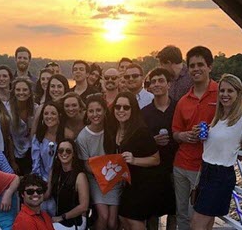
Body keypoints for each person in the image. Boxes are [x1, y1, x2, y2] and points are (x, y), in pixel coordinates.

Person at [190, 74, 242, 230]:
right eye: (222, 90)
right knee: (206, 222)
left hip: (220, 175)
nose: (225, 94)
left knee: (197, 223)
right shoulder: (218, 118)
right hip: (206, 171)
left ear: (238, 93)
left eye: (230, 91)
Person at [172, 46, 218, 230]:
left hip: (206, 166)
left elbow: (237, 122)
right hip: (181, 165)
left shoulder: (221, 94)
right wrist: (183, 135)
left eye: (201, 64)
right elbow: (174, 132)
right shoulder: (184, 100)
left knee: (200, 218)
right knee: (182, 215)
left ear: (210, 67)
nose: (196, 69)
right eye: (192, 65)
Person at [111, 91, 162, 230]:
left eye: (126, 107)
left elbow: (156, 159)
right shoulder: (114, 128)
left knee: (133, 221)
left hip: (143, 183)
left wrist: (134, 160)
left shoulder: (141, 131)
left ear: (133, 109)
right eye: (118, 107)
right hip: (127, 183)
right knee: (123, 218)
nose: (121, 110)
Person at [76, 94, 121, 230]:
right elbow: (86, 165)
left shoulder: (113, 130)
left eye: (98, 110)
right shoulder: (83, 137)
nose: (95, 114)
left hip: (115, 179)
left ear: (105, 111)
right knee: (104, 217)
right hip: (96, 180)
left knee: (112, 223)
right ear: (87, 113)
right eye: (91, 111)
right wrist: (103, 175)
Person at [141, 68, 178, 230]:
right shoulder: (144, 113)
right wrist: (152, 141)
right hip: (153, 169)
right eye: (153, 81)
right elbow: (139, 142)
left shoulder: (179, 108)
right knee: (152, 212)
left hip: (176, 167)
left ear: (169, 84)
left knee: (175, 210)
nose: (156, 84)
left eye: (160, 80)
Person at [46, 139, 89, 230]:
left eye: (68, 151)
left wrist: (62, 217)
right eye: (61, 150)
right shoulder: (54, 172)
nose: (64, 153)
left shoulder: (80, 176)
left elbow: (84, 206)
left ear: (73, 154)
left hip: (75, 221)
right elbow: (47, 194)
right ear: (57, 153)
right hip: (58, 219)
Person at [32, 101, 65, 216]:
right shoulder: (39, 137)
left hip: (62, 179)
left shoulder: (67, 135)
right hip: (43, 178)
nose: (49, 116)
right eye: (46, 114)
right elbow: (36, 163)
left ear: (59, 115)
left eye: (53, 113)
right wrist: (39, 184)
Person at [9, 78, 37, 175]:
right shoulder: (8, 111)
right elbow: (8, 138)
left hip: (31, 151)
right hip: (13, 152)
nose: (21, 92)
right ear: (13, 92)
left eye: (25, 90)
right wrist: (12, 161)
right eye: (18, 90)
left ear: (30, 93)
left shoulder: (36, 109)